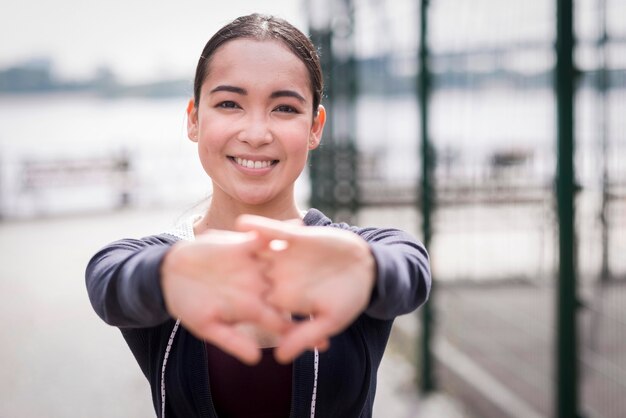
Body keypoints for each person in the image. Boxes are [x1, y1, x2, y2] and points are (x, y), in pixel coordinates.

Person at [85, 13, 431, 418]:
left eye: (284, 108)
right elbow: (108, 279)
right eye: (230, 103)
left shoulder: (349, 253)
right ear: (194, 119)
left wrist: (366, 268)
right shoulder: (162, 261)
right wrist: (171, 273)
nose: (255, 133)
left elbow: (410, 265)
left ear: (315, 127)